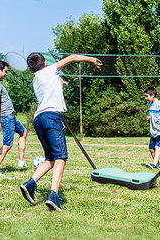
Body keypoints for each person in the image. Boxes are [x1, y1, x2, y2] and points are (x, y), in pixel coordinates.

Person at [20, 53, 102, 211]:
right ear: (45, 62)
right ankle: (53, 195)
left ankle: (29, 184)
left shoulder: (36, 78)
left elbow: (56, 86)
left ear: (31, 70)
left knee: (51, 158)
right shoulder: (50, 70)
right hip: (51, 116)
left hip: (39, 118)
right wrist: (92, 59)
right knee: (61, 157)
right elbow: (71, 58)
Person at [0, 60, 28, 176]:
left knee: (23, 131)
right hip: (6, 117)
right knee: (7, 144)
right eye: (5, 71)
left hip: (10, 115)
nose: (6, 73)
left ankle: (21, 161)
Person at [144, 86, 160, 169]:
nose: (145, 98)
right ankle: (158, 165)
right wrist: (149, 117)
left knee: (157, 147)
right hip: (154, 130)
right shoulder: (150, 105)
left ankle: (154, 165)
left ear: (153, 95)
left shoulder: (159, 104)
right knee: (151, 149)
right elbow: (152, 115)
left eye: (147, 96)